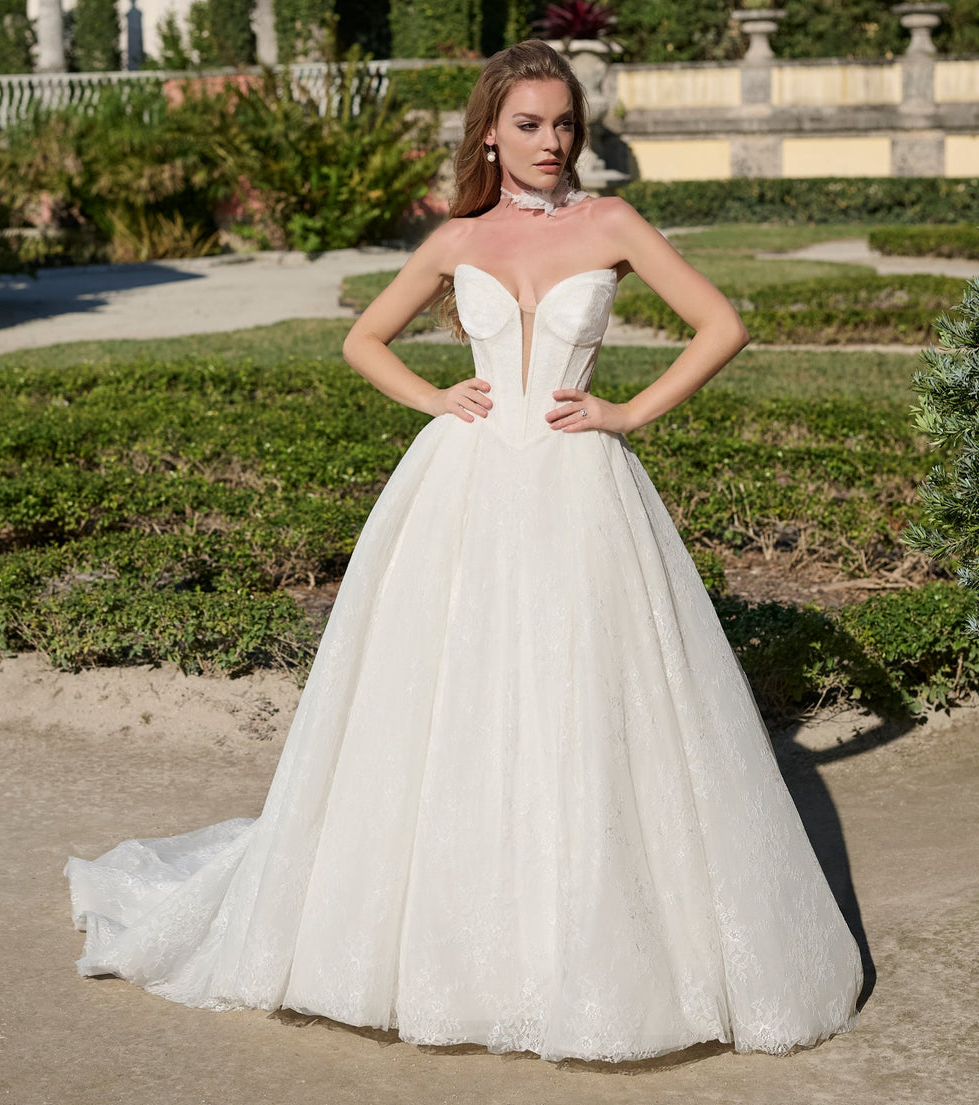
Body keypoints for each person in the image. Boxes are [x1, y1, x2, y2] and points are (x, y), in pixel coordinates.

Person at [64, 40, 863, 1063]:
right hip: (466, 484)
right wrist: (439, 398)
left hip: (581, 484)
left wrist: (627, 411)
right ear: (490, 129)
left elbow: (723, 324)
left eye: (564, 124)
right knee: (452, 697)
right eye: (529, 124)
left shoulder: (610, 221)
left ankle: (590, 947)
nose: (550, 142)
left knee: (585, 698)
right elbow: (363, 341)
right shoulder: (457, 237)